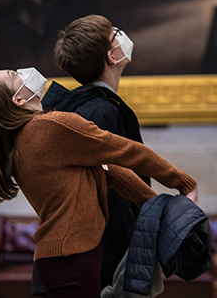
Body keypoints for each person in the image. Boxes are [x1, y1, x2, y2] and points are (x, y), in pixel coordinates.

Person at [0, 68, 198, 298]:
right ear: (17, 99)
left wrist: (156, 206)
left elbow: (109, 173)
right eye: (13, 74)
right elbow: (127, 151)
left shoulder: (21, 139)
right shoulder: (49, 128)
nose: (22, 72)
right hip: (72, 259)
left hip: (62, 258)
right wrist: (184, 183)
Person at [41, 15, 147, 289]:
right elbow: (114, 190)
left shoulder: (92, 106)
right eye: (116, 34)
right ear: (111, 56)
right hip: (99, 261)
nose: (122, 36)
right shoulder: (99, 113)